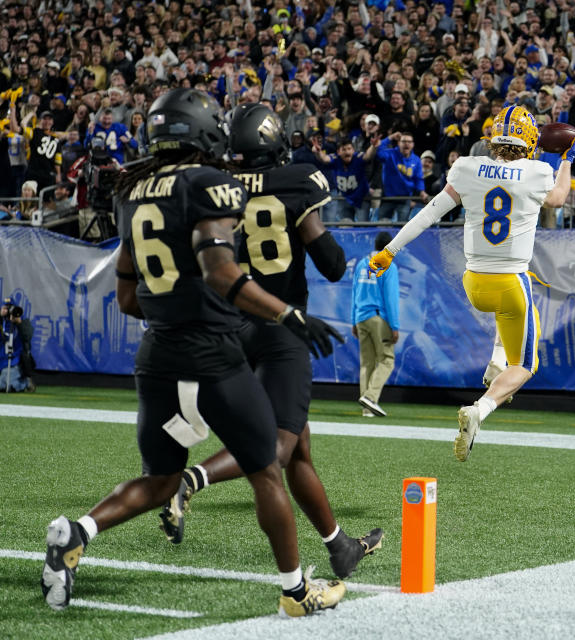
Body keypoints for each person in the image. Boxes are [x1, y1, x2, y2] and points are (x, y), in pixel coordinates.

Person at [41, 89, 346, 617]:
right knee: (266, 470)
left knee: (160, 480)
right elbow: (222, 272)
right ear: (205, 130)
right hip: (214, 357)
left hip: (156, 356)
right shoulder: (210, 184)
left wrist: (173, 313)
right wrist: (287, 314)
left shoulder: (131, 191)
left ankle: (78, 532)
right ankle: (297, 593)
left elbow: (128, 297)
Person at [157, 103, 382, 581]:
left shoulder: (217, 185)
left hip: (232, 326)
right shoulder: (299, 180)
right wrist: (310, 227)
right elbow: (332, 264)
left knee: (298, 449)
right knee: (277, 447)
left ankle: (339, 546)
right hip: (282, 326)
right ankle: (192, 479)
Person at [368, 105, 575, 462]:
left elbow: (430, 212)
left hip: (474, 283)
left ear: (494, 137)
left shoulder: (466, 166)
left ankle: (497, 361)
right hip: (511, 284)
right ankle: (480, 409)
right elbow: (558, 199)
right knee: (525, 365)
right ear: (529, 142)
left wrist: (390, 250)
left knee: (508, 305)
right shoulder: (539, 170)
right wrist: (568, 159)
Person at [352, 231, 400, 417]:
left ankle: (367, 408)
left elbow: (354, 293)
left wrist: (353, 320)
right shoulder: (389, 266)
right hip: (379, 318)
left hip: (361, 317)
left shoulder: (361, 264)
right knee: (387, 360)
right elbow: (391, 298)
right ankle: (371, 397)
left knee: (367, 363)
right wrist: (394, 326)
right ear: (390, 246)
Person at [0, 297, 35, 393]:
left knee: (5, 385)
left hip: (15, 360)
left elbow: (28, 336)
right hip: (1, 359)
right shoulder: (1, 322)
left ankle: (26, 383)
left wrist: (19, 323)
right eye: (5, 307)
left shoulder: (22, 320)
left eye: (10, 308)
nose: (7, 311)